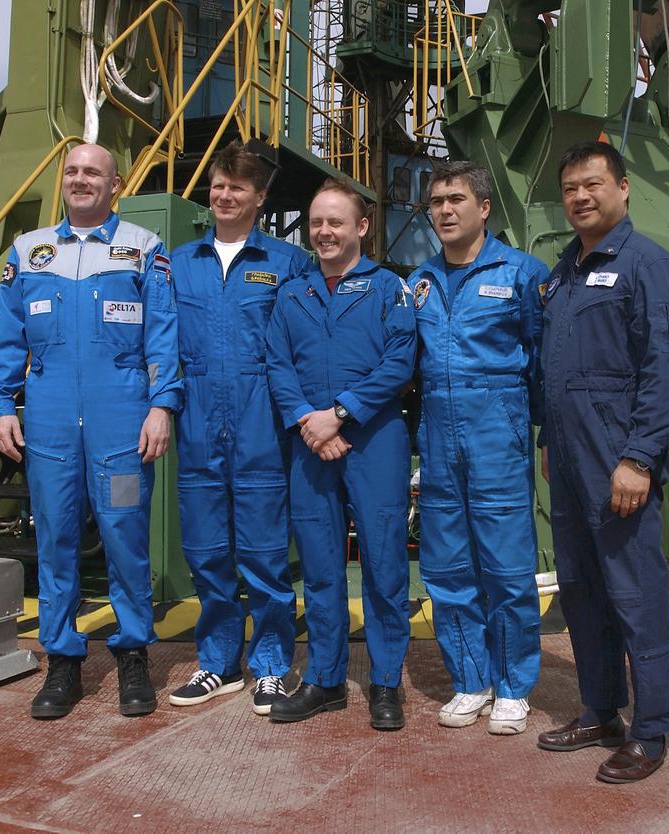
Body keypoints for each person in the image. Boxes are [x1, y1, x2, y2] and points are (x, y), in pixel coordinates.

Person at [0, 143, 181, 719]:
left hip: (121, 425)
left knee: (124, 533)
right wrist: (1, 405)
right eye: (71, 171)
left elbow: (162, 336)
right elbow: (10, 339)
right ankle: (63, 663)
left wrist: (161, 405)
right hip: (47, 425)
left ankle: (133, 657)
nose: (80, 179)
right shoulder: (29, 252)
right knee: (55, 536)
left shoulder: (143, 249)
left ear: (115, 184)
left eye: (92, 172)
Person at [535, 142, 669, 782]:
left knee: (635, 595)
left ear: (623, 189)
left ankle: (651, 731)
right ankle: (601, 710)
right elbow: (558, 370)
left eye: (593, 185)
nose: (580, 197)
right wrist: (549, 440)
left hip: (616, 459)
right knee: (581, 591)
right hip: (569, 461)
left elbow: (664, 368)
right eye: (570, 187)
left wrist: (638, 457)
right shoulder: (564, 272)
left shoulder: (646, 265)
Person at [265, 178, 416, 730]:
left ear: (362, 227)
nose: (324, 232)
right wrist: (310, 420)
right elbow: (277, 364)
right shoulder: (292, 293)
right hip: (310, 445)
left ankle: (384, 682)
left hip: (373, 441)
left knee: (384, 565)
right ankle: (325, 680)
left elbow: (399, 364)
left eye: (336, 222)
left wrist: (341, 413)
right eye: (317, 222)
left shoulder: (388, 290)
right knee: (323, 569)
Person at [165, 141, 311, 715]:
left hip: (262, 422)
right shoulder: (179, 263)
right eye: (219, 184)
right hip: (198, 418)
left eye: (238, 187)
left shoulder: (286, 263)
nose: (225, 195)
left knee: (264, 550)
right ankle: (219, 663)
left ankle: (272, 664)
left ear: (260, 197)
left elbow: (301, 345)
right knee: (205, 549)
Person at [408, 161, 545, 734]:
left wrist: (521, 428)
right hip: (439, 439)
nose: (444, 210)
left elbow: (542, 361)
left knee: (507, 568)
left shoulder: (521, 273)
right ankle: (471, 680)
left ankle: (514, 685)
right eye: (436, 201)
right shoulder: (419, 281)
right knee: (446, 567)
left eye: (456, 199)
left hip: (498, 435)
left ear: (483, 208)